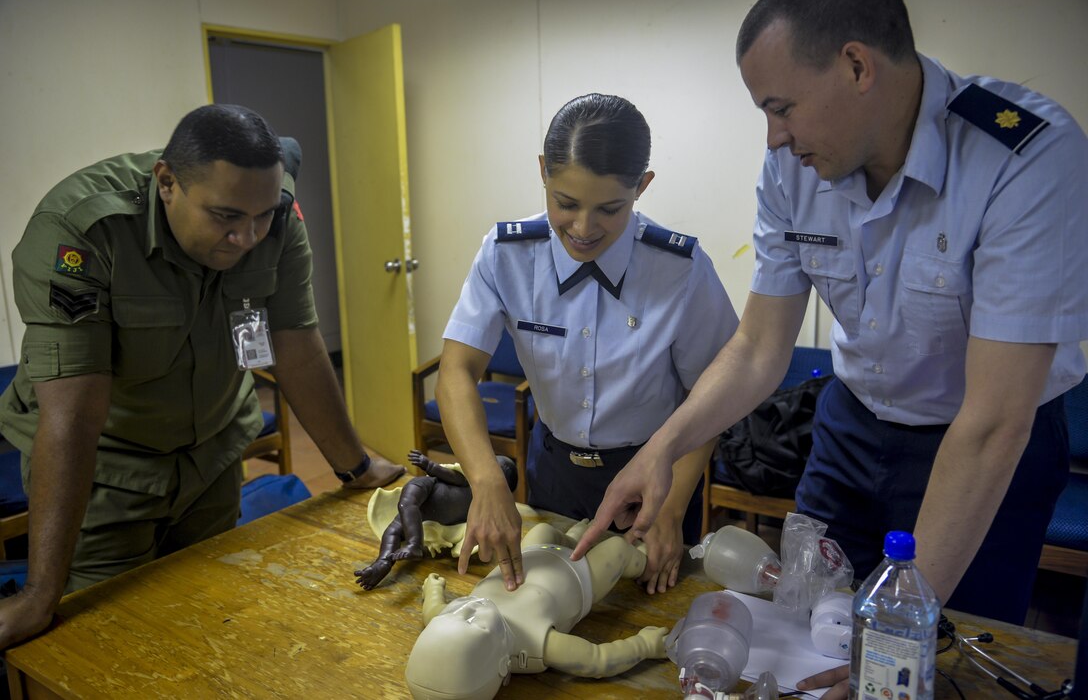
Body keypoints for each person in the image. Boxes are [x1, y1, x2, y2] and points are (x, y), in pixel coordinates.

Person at [577, 0, 1088, 687]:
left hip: (980, 447)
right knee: (805, 628)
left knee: (929, 664)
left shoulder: (1021, 156)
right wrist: (664, 447)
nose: (773, 135)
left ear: (856, 66)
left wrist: (891, 640)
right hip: (850, 430)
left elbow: (994, 421)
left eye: (781, 107)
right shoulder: (793, 168)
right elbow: (759, 347)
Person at [0, 104, 405, 651]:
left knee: (210, 619)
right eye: (226, 217)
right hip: (108, 476)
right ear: (167, 182)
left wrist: (354, 465)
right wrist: (39, 594)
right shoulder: (81, 231)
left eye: (261, 217)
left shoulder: (274, 212)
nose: (249, 237)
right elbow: (73, 415)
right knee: (113, 647)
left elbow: (297, 347)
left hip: (212, 457)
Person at [436, 94, 739, 595]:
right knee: (543, 602)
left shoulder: (678, 270)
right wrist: (487, 481)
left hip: (655, 479)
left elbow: (709, 397)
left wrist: (671, 506)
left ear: (642, 187)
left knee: (645, 620)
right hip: (553, 469)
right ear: (543, 173)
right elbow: (456, 371)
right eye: (566, 203)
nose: (582, 228)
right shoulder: (507, 255)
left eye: (609, 209)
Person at [404, 520, 668, 699]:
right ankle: (649, 564)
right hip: (581, 575)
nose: (466, 606)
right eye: (473, 622)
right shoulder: (537, 643)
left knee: (543, 528)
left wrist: (433, 589)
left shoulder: (448, 619)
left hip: (531, 553)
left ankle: (574, 538)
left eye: (451, 615)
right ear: (501, 666)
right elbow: (597, 660)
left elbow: (432, 612)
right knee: (618, 549)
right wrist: (643, 645)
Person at [355, 450, 518, 590]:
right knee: (406, 504)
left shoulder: (484, 509)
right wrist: (427, 464)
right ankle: (410, 546)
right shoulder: (467, 481)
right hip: (427, 489)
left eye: (495, 467)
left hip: (426, 521)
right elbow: (447, 474)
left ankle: (383, 562)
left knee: (393, 530)